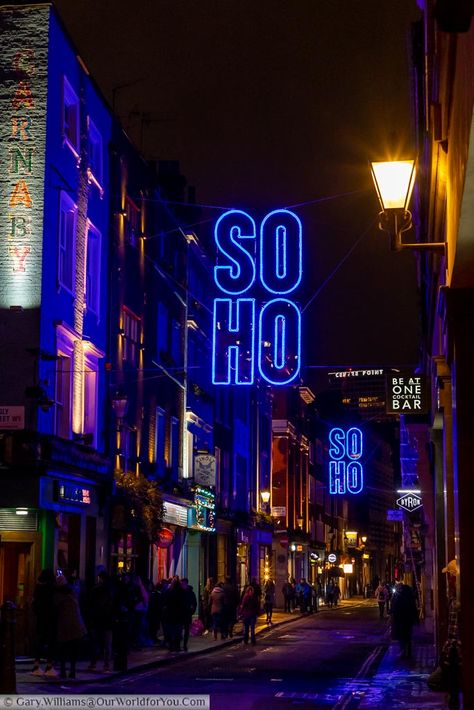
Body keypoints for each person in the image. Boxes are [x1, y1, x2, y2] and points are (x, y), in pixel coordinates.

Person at [54, 573, 87, 679]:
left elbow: (55, 608)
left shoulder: (58, 596)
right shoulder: (72, 593)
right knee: (73, 650)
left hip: (64, 625)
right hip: (76, 625)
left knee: (62, 649)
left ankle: (63, 671)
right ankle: (72, 671)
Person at [31, 569, 58, 677]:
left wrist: (38, 612)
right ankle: (49, 666)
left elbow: (34, 603)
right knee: (51, 642)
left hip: (41, 618)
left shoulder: (38, 588)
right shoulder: (53, 588)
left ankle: (36, 665)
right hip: (51, 618)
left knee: (40, 641)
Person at [87, 570, 114, 673]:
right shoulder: (111, 590)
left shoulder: (95, 590)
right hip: (108, 621)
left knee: (96, 644)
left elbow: (90, 605)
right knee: (107, 645)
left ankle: (93, 664)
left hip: (97, 620)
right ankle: (106, 665)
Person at [390, 583, 419, 659]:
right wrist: (416, 619)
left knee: (401, 636)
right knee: (408, 636)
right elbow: (414, 608)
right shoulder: (410, 597)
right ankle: (408, 651)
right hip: (408, 620)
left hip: (400, 620)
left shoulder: (398, 597)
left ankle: (403, 651)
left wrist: (392, 617)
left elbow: (394, 608)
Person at [181, 578, 197, 652]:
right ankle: (179, 644)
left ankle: (184, 644)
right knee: (180, 629)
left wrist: (191, 611)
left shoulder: (190, 592)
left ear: (186, 583)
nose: (182, 585)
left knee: (186, 630)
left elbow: (194, 603)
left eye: (183, 583)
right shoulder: (180, 592)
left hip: (187, 614)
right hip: (180, 614)